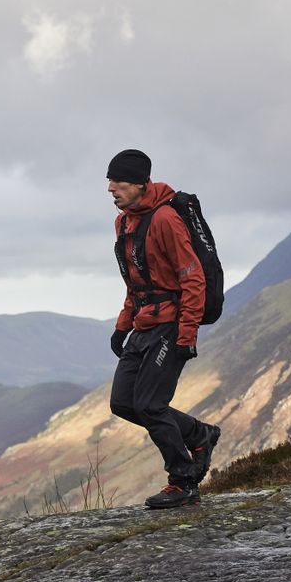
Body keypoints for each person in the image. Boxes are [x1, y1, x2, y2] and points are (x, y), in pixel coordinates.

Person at [106, 149, 221, 509]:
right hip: (143, 324)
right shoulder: (124, 222)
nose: (111, 189)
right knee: (123, 403)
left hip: (171, 325)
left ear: (141, 184)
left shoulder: (166, 219)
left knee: (151, 405)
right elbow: (135, 282)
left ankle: (183, 481)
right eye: (109, 182)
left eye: (119, 182)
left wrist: (187, 334)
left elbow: (192, 278)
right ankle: (200, 434)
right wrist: (122, 326)